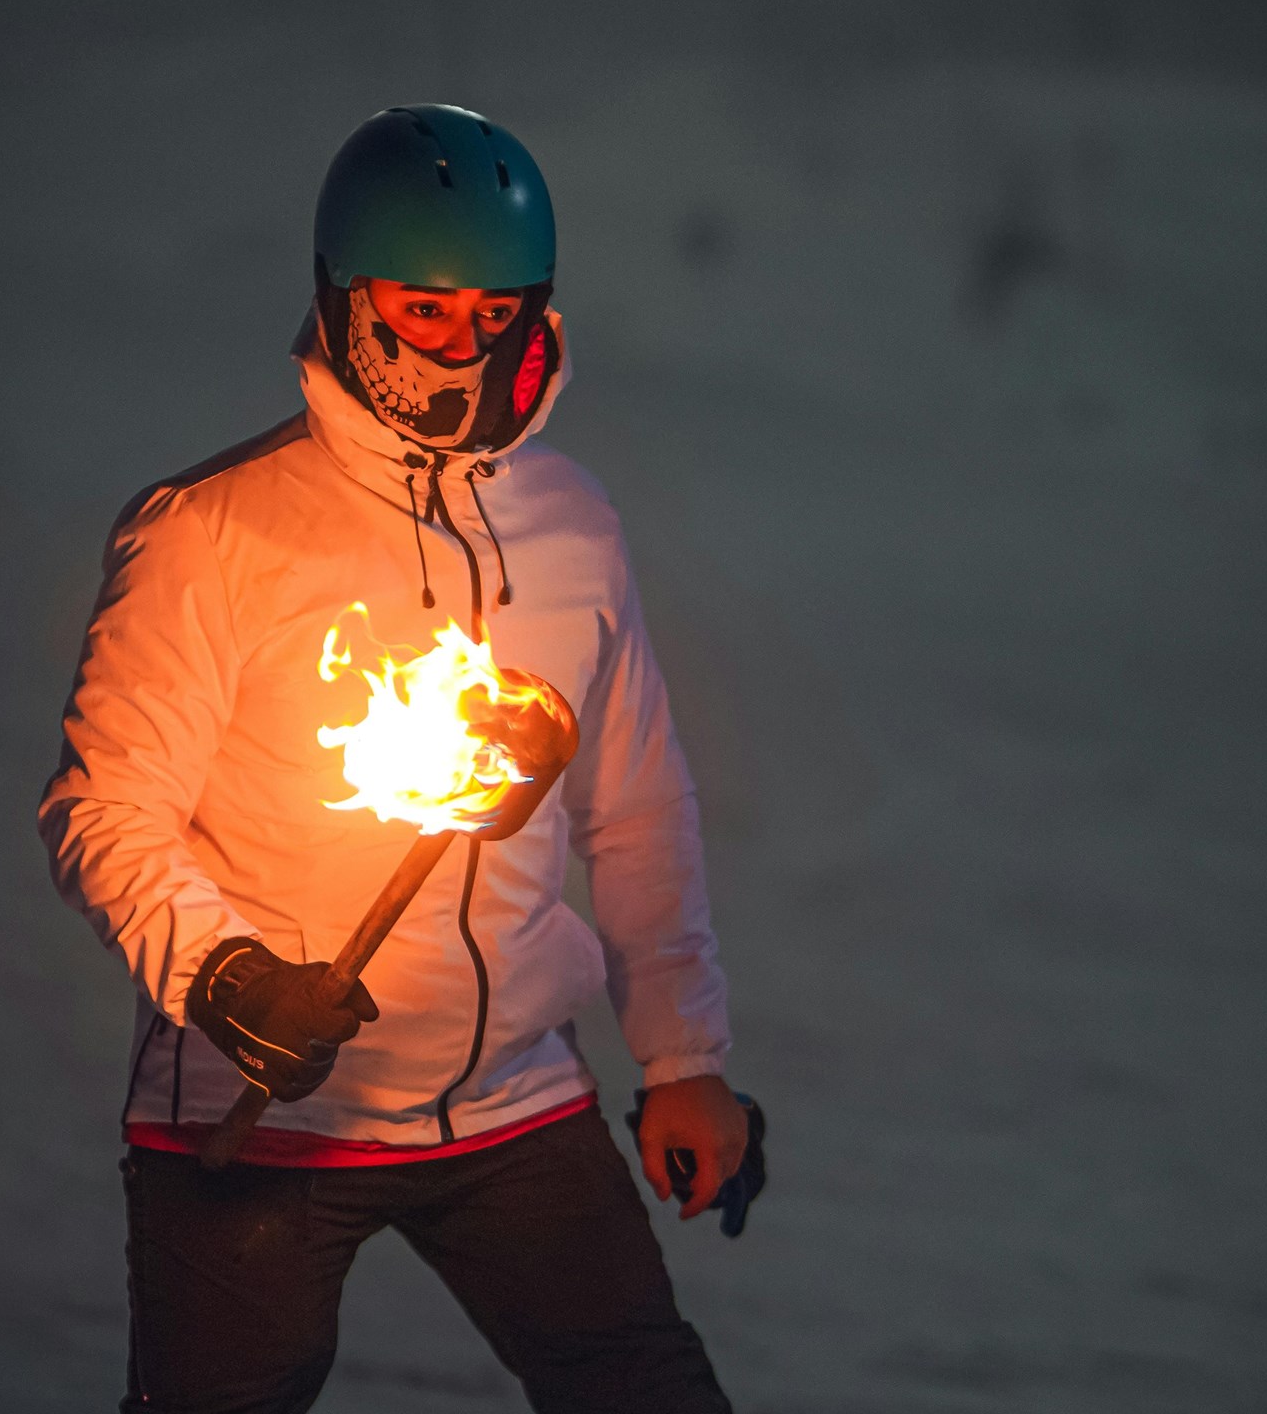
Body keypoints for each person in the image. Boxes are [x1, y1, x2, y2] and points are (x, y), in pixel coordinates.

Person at [39, 104, 744, 1414]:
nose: (464, 348)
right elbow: (107, 808)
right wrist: (227, 978)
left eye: (495, 313)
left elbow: (637, 806)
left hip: (514, 1099)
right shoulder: (211, 531)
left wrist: (683, 1058)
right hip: (261, 1111)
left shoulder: (572, 525)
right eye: (425, 310)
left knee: (645, 1392)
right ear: (344, 295)